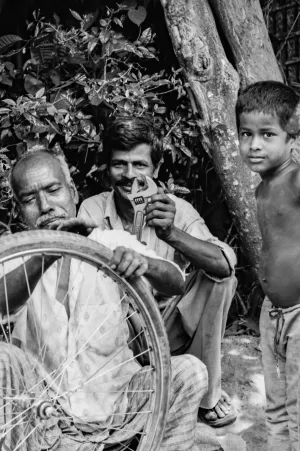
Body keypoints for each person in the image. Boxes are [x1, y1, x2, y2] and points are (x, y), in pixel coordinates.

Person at [0, 150, 209, 451]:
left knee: (189, 371)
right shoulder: (15, 256)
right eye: (30, 199)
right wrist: (48, 251)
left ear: (71, 192)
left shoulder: (111, 243)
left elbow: (175, 281)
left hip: (120, 406)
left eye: (53, 190)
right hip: (47, 420)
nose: (45, 206)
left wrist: (144, 264)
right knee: (3, 357)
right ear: (20, 211)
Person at [78, 116, 238, 427]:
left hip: (170, 331)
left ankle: (206, 397)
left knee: (221, 279)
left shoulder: (176, 208)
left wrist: (172, 234)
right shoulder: (92, 210)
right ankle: (123, 390)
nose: (129, 175)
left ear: (156, 169)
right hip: (121, 335)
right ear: (107, 168)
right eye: (119, 164)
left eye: (140, 165)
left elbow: (224, 264)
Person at [236, 80, 300, 451]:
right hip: (272, 314)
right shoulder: (262, 187)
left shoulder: (293, 179)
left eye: (266, 134)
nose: (254, 144)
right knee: (275, 405)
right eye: (246, 134)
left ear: (292, 138)